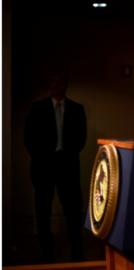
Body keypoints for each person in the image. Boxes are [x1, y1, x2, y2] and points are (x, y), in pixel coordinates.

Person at [24, 70, 87, 262]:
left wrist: (67, 155)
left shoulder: (77, 108)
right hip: (43, 166)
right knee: (42, 211)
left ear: (65, 85)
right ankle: (46, 253)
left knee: (73, 211)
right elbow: (29, 138)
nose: (55, 85)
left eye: (59, 82)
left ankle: (77, 253)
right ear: (49, 85)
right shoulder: (37, 108)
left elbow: (81, 139)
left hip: (67, 166)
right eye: (52, 82)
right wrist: (42, 157)